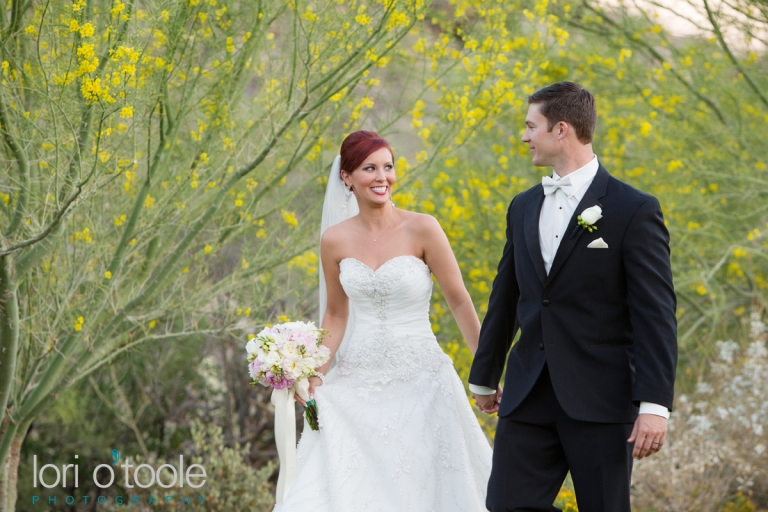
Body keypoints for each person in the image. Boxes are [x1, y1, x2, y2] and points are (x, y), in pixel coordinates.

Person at [469, 82, 678, 512]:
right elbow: (505, 297)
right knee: (505, 505)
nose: (524, 136)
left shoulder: (633, 209)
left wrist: (655, 404)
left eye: (531, 126)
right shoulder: (523, 206)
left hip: (601, 399)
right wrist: (485, 377)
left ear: (560, 129)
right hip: (527, 395)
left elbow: (655, 315)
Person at [273, 131, 492, 512]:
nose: (382, 177)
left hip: (423, 379)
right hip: (357, 380)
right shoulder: (334, 240)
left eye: (388, 167)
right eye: (369, 168)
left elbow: (458, 301)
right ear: (347, 177)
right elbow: (336, 315)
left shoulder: (423, 228)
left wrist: (485, 371)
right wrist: (316, 373)